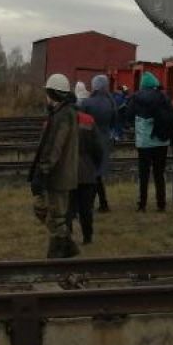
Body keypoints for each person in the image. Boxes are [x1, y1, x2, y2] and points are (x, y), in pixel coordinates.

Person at [30, 74, 79, 257]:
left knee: (56, 216)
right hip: (60, 174)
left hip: (59, 175)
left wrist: (43, 170)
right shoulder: (64, 113)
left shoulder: (63, 115)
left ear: (53, 94)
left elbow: (55, 147)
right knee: (54, 215)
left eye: (47, 93)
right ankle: (65, 249)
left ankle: (59, 252)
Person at [129, 71, 172, 211]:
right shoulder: (163, 97)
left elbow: (129, 115)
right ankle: (161, 204)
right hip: (161, 141)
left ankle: (142, 204)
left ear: (143, 85)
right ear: (155, 84)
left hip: (144, 142)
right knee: (159, 174)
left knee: (144, 175)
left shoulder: (136, 97)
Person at [73, 102, 108, 245]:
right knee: (86, 208)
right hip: (87, 171)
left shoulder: (58, 120)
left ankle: (66, 238)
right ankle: (87, 237)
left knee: (67, 207)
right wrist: (95, 165)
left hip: (66, 172)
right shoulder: (88, 120)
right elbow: (98, 148)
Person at [81, 75, 117, 211]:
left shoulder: (87, 103)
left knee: (91, 173)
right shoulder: (111, 102)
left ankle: (93, 203)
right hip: (105, 140)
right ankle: (102, 203)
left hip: (90, 141)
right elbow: (115, 122)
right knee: (98, 173)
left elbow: (81, 121)